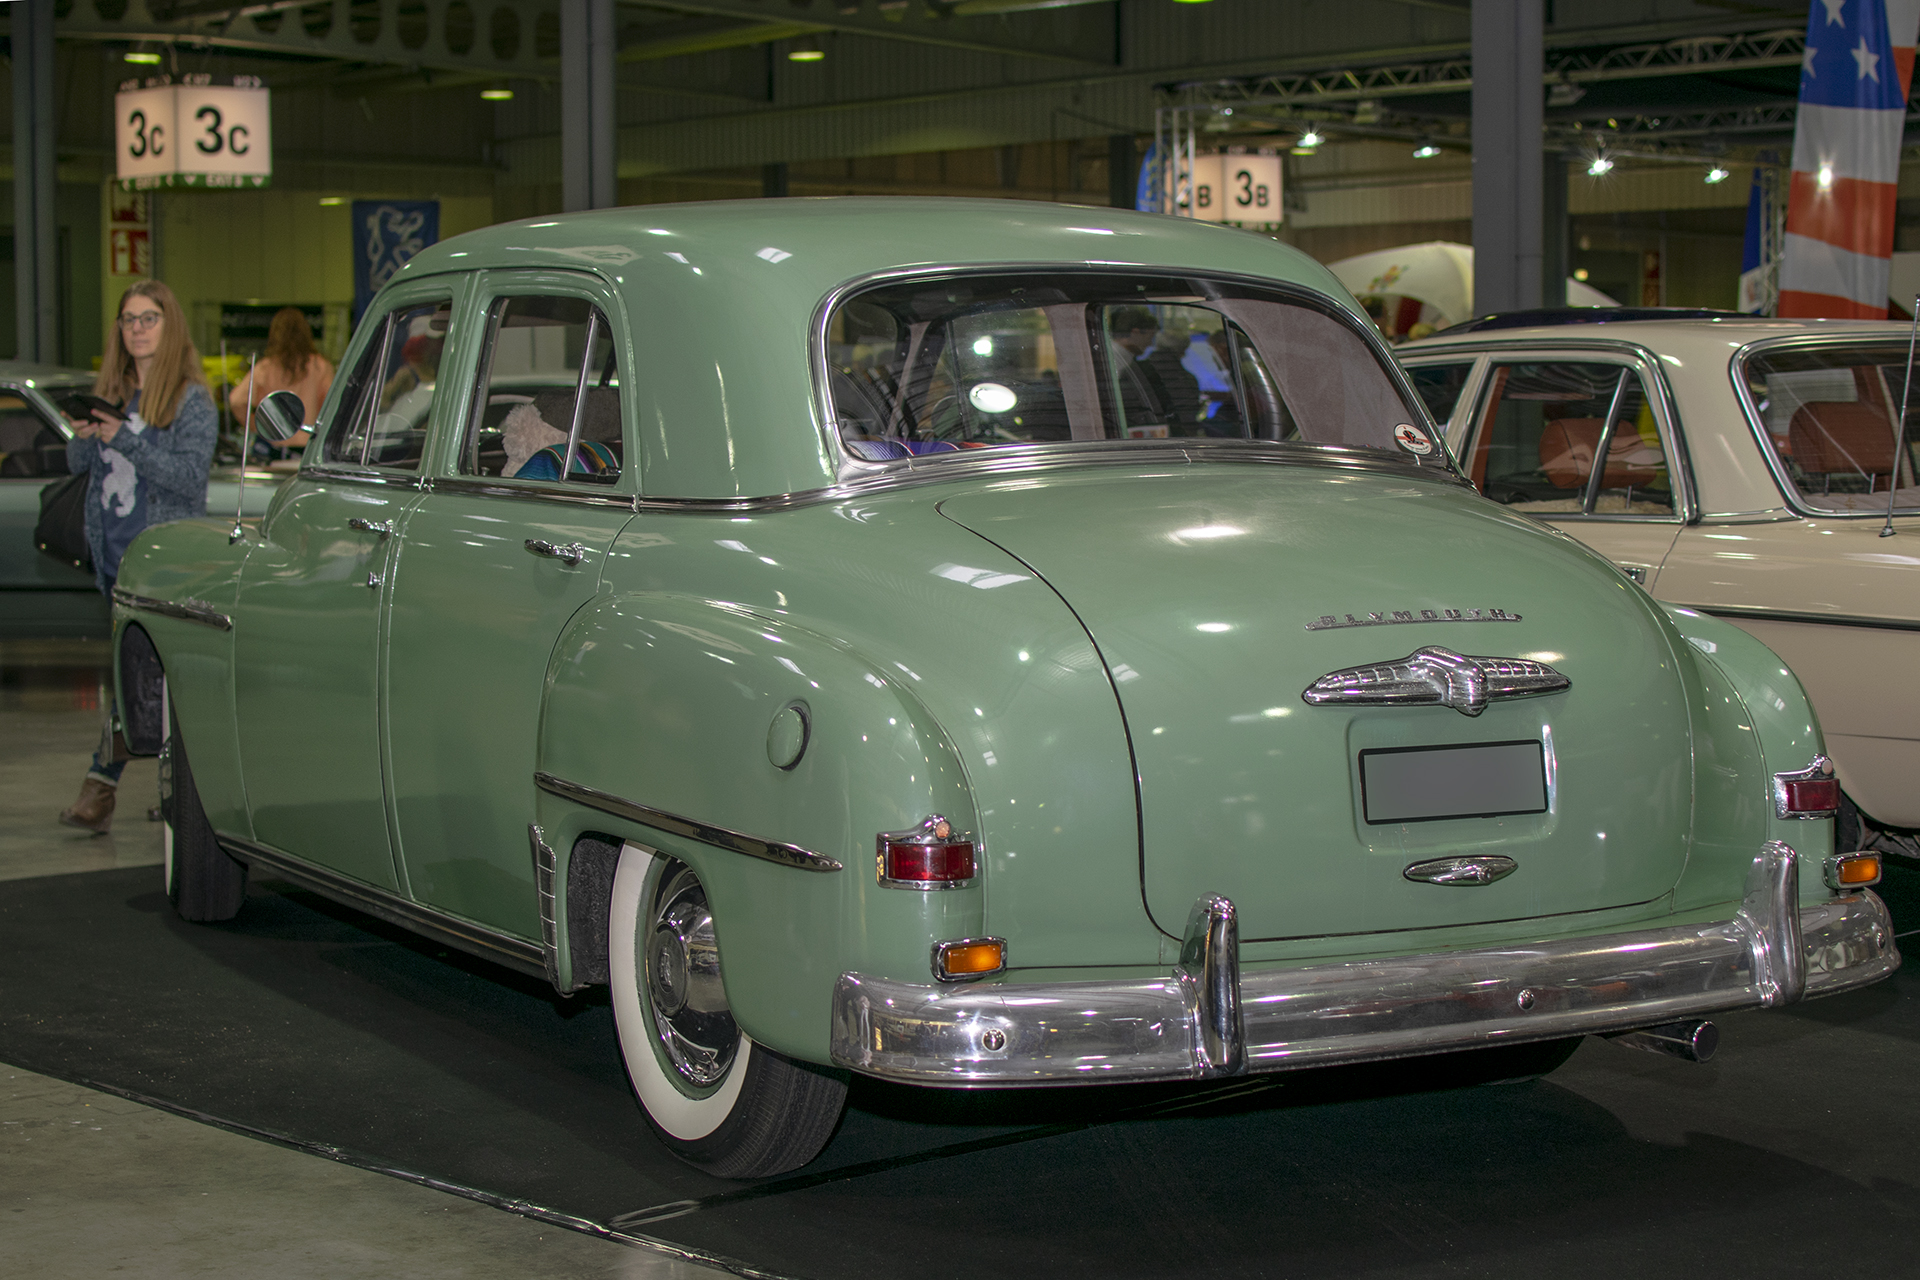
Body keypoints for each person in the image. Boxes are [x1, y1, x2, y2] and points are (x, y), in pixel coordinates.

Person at [59, 281, 218, 835]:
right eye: (128, 320)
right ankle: (172, 792)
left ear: (169, 324)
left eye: (148, 318)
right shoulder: (115, 390)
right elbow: (82, 464)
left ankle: (101, 786)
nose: (137, 329)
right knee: (150, 678)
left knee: (146, 676)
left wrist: (125, 435)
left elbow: (186, 476)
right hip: (114, 559)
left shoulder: (191, 401)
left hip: (164, 561)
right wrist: (86, 433)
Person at [228, 307, 333, 453]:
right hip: (309, 447)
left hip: (274, 447)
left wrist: (259, 426)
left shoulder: (266, 367)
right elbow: (332, 407)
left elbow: (237, 401)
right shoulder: (320, 367)